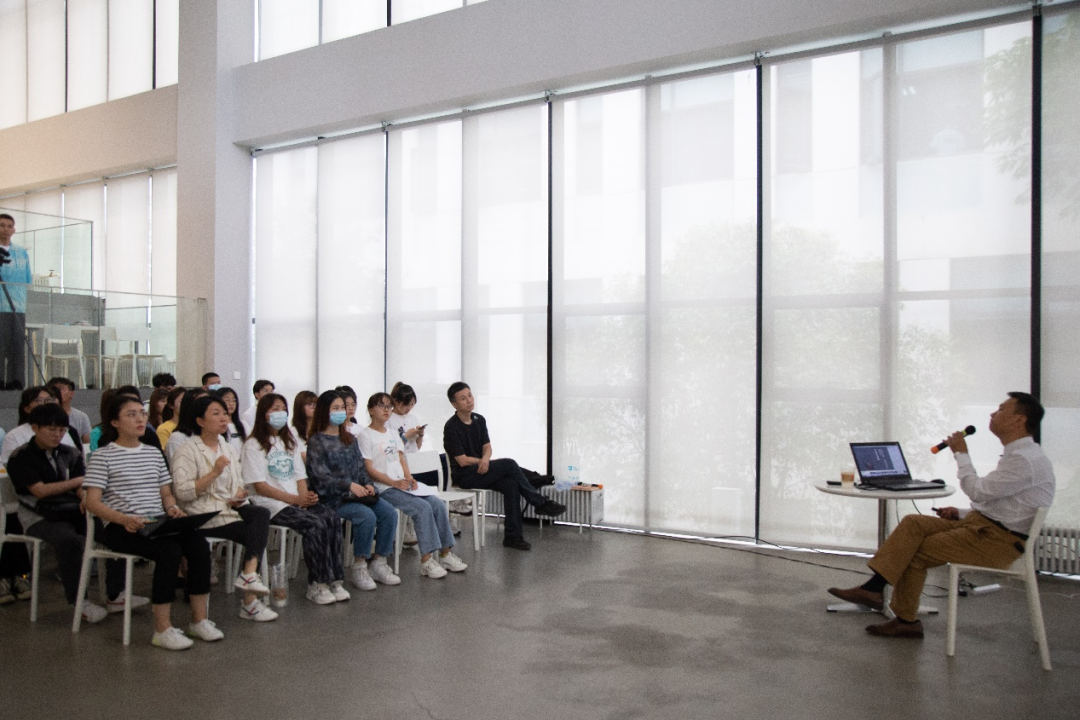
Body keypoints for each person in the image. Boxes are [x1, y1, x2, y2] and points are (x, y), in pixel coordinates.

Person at [828, 392, 1056, 638]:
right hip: (982, 526)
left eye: (1001, 409)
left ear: (1019, 420)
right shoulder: (1020, 455)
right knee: (913, 523)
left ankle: (905, 620)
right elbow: (1004, 504)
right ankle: (873, 589)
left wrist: (961, 453)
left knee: (916, 551)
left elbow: (978, 492)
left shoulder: (1024, 460)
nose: (993, 413)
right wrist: (960, 513)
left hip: (997, 541)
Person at [83, 394, 220, 650]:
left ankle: (199, 620)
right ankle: (162, 628)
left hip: (157, 521)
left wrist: (172, 508)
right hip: (121, 527)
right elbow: (92, 502)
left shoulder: (153, 453)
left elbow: (166, 492)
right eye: (131, 414)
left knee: (198, 544)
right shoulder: (103, 456)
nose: (140, 419)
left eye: (142, 413)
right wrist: (124, 519)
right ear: (115, 422)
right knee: (169, 551)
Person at [7, 403, 149, 622]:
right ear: (35, 428)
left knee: (115, 530)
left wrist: (84, 495)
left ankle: (115, 594)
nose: (57, 435)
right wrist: (77, 482)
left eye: (62, 430)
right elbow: (40, 491)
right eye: (51, 429)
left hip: (73, 511)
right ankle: (79, 602)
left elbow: (83, 486)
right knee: (70, 541)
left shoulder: (69, 452)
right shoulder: (21, 456)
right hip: (40, 516)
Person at [171, 395, 277, 622]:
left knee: (260, 513)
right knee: (255, 534)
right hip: (201, 514)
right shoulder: (187, 451)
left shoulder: (227, 448)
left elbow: (237, 482)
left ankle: (249, 575)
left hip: (229, 509)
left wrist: (239, 495)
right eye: (216, 413)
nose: (223, 418)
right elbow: (183, 493)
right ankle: (249, 602)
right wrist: (214, 472)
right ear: (200, 421)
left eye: (224, 414)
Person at [242, 393, 349, 604]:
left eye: (283, 409)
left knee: (332, 518)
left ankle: (335, 579)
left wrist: (304, 497)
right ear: (263, 414)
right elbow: (261, 487)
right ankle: (317, 583)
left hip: (295, 500)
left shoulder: (288, 441)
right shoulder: (253, 445)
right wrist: (295, 500)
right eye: (275, 409)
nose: (280, 413)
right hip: (271, 505)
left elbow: (300, 476)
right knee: (315, 524)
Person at [443, 382, 566, 551]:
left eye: (470, 395)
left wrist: (485, 459)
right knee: (509, 464)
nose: (469, 400)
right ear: (454, 404)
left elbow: (487, 447)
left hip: (482, 470)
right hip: (465, 475)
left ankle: (513, 537)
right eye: (463, 398)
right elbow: (462, 460)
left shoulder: (479, 420)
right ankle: (538, 501)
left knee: (511, 484)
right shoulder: (451, 427)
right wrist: (482, 461)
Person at [359, 392, 467, 579]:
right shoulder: (365, 435)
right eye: (381, 406)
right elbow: (368, 468)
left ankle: (445, 554)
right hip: (384, 488)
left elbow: (401, 458)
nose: (386, 410)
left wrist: (409, 477)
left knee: (437, 504)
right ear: (370, 410)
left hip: (401, 483)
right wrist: (393, 482)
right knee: (422, 508)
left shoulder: (393, 434)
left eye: (389, 406)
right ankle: (426, 561)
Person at [304, 390, 400, 591]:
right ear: (324, 411)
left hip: (358, 495)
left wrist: (368, 484)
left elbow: (360, 469)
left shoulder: (349, 438)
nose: (341, 411)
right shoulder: (316, 441)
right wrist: (348, 486)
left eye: (343, 407)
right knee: (366, 516)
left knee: (389, 513)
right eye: (336, 408)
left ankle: (379, 562)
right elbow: (320, 478)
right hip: (332, 499)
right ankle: (359, 566)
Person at [1, 386, 77, 465]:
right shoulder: (14, 436)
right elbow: (10, 465)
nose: (45, 404)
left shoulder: (62, 431)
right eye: (39, 400)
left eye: (48, 400)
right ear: (27, 408)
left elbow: (74, 460)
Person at [0, 213, 31, 391]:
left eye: (9, 226)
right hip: (0, 307)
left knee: (17, 347)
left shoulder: (21, 253)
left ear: (14, 230)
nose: (5, 229)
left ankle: (16, 383)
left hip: (18, 306)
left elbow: (27, 279)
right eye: (2, 225)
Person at [165, 389, 207, 465]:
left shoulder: (218, 437)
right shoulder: (177, 438)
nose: (207, 408)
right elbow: (179, 469)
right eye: (202, 404)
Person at [47, 377, 93, 445]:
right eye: (53, 389)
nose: (56, 392)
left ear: (71, 394)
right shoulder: (44, 416)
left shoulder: (81, 417)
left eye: (60, 388)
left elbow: (88, 443)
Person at [213, 386, 247, 454]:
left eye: (234, 400)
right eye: (227, 400)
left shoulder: (243, 425)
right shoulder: (216, 425)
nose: (231, 404)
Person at [290, 390, 317, 463]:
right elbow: (304, 456)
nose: (314, 407)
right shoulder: (293, 431)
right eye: (310, 404)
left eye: (316, 404)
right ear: (300, 406)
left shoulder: (320, 429)